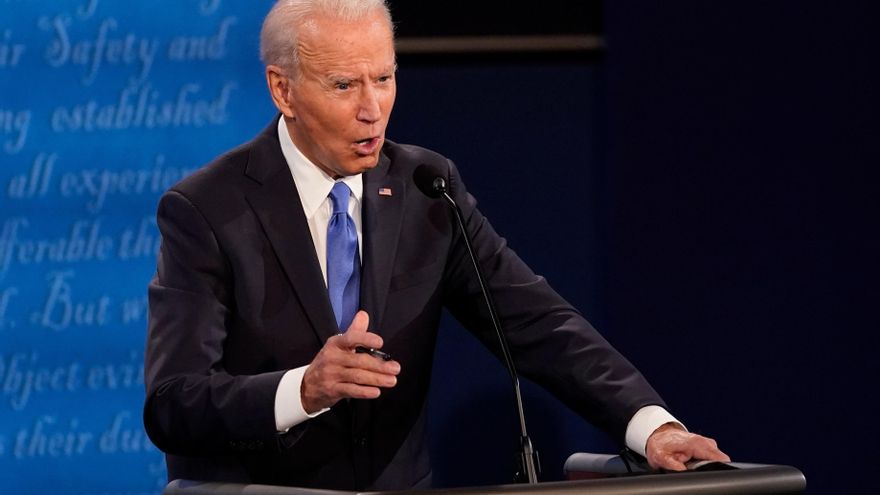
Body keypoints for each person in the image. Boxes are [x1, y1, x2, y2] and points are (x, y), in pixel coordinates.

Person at [143, 0, 729, 490]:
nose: (372, 110)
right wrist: (304, 388)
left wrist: (651, 425)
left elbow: (536, 323)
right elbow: (174, 403)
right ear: (283, 90)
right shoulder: (208, 210)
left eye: (384, 77)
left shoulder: (428, 189)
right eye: (344, 85)